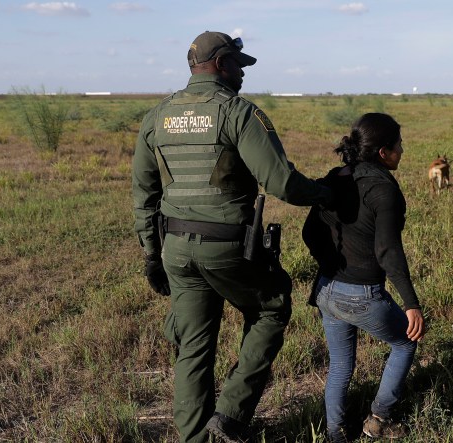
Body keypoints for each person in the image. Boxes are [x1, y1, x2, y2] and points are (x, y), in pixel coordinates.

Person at [132, 31, 333, 443]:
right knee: (271, 309)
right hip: (227, 245)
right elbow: (282, 183)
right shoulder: (239, 112)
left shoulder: (158, 116)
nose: (243, 74)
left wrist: (152, 255)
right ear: (221, 64)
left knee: (193, 345)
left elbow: (144, 193)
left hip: (174, 249)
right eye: (239, 65)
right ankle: (231, 416)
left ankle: (194, 438)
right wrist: (327, 192)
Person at [302, 113, 425, 442]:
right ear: (383, 152)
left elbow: (309, 232)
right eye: (399, 145)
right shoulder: (384, 191)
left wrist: (332, 265)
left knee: (341, 363)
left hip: (326, 290)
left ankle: (334, 434)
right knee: (406, 341)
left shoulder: (334, 176)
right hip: (362, 295)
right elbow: (388, 252)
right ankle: (378, 421)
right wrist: (411, 304)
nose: (403, 149)